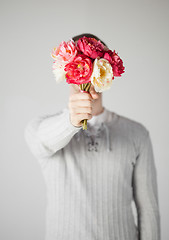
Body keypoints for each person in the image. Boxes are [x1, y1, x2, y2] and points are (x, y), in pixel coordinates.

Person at [24, 33, 161, 240]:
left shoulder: (137, 134)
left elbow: (148, 211)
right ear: (65, 69)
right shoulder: (41, 128)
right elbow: (42, 141)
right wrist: (71, 121)